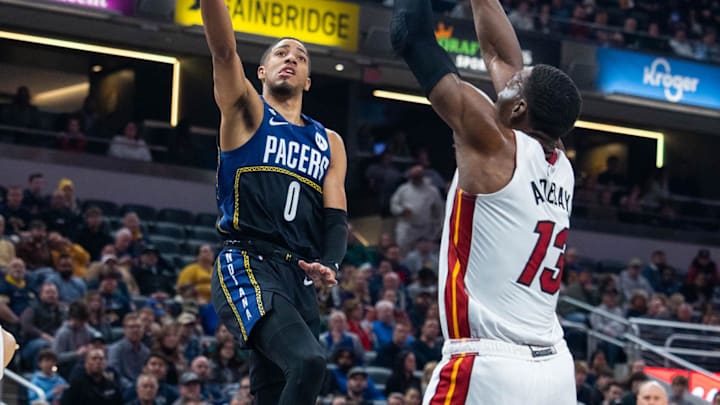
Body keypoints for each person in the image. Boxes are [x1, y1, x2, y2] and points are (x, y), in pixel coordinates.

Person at [390, 0, 582, 402]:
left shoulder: (494, 144)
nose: (506, 80)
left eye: (515, 85)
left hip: (490, 364)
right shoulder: (559, 161)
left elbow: (411, 36)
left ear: (520, 108)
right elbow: (502, 57)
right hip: (554, 370)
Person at [200, 1, 348, 404]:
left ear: (308, 80)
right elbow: (224, 52)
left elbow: (336, 218)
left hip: (297, 277)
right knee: (309, 362)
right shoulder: (247, 113)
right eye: (281, 53)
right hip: (248, 262)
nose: (291, 59)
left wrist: (330, 265)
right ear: (261, 71)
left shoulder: (328, 141)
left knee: (278, 390)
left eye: (300, 57)